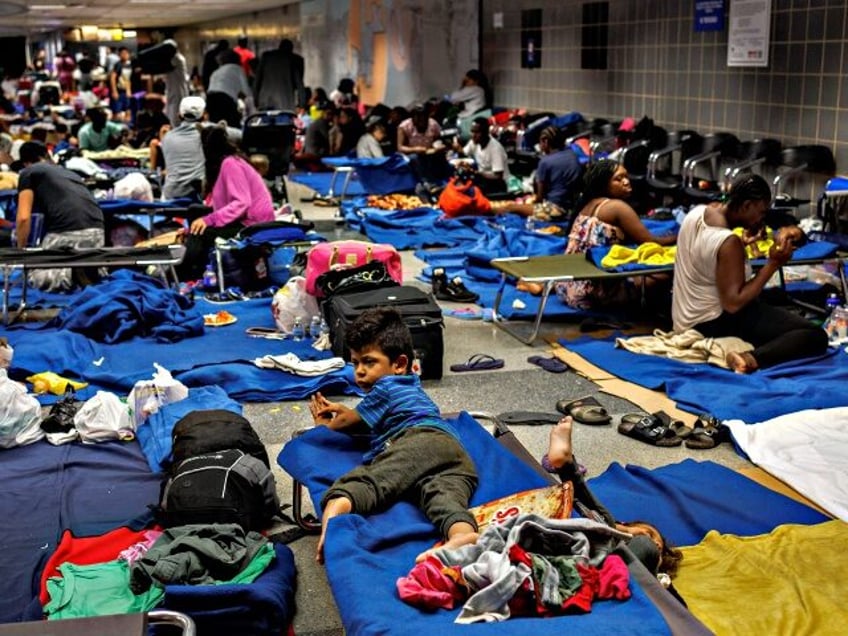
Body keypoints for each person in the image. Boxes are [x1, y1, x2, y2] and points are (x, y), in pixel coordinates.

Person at [308, 307, 479, 564]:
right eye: (355, 363)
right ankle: (461, 535)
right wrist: (349, 414)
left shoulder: (386, 387)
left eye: (369, 361)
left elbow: (348, 421)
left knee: (371, 480)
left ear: (399, 364)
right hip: (453, 452)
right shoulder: (408, 385)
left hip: (418, 440)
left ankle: (334, 523)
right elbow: (366, 419)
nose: (359, 372)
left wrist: (325, 425)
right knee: (442, 496)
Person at [672, 173, 827, 373]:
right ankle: (749, 359)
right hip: (712, 324)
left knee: (774, 300)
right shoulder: (729, 243)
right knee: (813, 334)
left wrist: (744, 245)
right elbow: (733, 303)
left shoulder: (699, 212)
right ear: (745, 206)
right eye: (761, 212)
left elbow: (706, 257)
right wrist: (773, 263)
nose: (762, 218)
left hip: (684, 320)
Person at [543, 416, 683, 579]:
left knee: (641, 545)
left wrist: (648, 547)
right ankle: (565, 464)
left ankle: (565, 465)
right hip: (583, 559)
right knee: (597, 521)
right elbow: (596, 519)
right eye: (649, 534)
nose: (654, 542)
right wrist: (626, 530)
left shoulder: (651, 569)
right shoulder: (608, 534)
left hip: (616, 577)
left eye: (658, 547)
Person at [551, 159, 676, 309]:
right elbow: (649, 242)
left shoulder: (588, 205)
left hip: (566, 288)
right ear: (603, 184)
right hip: (592, 294)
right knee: (671, 272)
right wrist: (680, 237)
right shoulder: (617, 207)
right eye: (618, 179)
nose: (626, 182)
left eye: (626, 177)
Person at [178, 124, 275, 280]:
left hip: (252, 225)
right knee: (195, 212)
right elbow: (214, 205)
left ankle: (184, 273)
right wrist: (191, 227)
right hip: (244, 219)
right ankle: (192, 268)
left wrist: (209, 220)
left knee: (203, 231)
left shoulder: (230, 164)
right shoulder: (227, 163)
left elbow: (242, 203)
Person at [15, 141, 105, 291]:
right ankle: (92, 270)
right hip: (97, 231)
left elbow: (23, 218)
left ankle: (71, 275)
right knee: (76, 259)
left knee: (33, 275)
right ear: (47, 155)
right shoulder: (70, 173)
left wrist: (20, 254)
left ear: (25, 162)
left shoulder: (28, 172)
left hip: (66, 231)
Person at [499, 126, 582, 221]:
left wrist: (529, 202)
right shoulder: (572, 155)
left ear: (545, 141)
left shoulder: (545, 162)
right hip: (572, 208)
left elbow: (539, 197)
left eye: (540, 142)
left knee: (511, 207)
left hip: (555, 209)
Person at [159, 96, 206, 200]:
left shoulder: (168, 137)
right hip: (198, 197)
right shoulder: (209, 133)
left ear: (179, 115)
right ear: (204, 115)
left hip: (170, 195)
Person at [451, 116, 510, 195]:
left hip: (498, 184)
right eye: (472, 131)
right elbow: (464, 153)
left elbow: (498, 176)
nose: (473, 135)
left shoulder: (495, 149)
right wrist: (457, 148)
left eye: (477, 132)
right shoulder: (474, 142)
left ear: (485, 132)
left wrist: (478, 173)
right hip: (483, 179)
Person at [397, 104, 449, 188]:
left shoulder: (433, 124)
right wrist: (415, 149)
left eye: (423, 118)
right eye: (418, 118)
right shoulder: (404, 126)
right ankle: (427, 182)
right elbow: (400, 147)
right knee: (415, 158)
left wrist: (438, 146)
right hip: (411, 153)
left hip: (429, 151)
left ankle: (444, 180)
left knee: (440, 155)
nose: (421, 122)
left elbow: (439, 139)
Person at [254, 38, 305, 111]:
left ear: (279, 47)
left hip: (265, 102)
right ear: (291, 50)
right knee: (284, 122)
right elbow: (299, 84)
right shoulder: (293, 60)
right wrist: (301, 105)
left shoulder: (266, 57)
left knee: (265, 121)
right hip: (286, 103)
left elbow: (257, 81)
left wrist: (256, 100)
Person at [206, 49, 252, 128]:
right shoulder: (237, 68)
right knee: (233, 128)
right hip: (225, 101)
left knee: (216, 129)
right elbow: (247, 93)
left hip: (210, 100)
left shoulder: (215, 72)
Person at [163, 39, 190, 128]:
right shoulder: (170, 59)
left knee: (175, 118)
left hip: (178, 93)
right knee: (168, 116)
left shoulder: (177, 58)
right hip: (171, 92)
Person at [109, 46, 134, 122]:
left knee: (128, 109)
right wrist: (114, 91)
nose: (124, 55)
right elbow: (112, 78)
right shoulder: (118, 65)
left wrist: (128, 90)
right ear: (119, 55)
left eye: (126, 53)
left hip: (125, 91)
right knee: (116, 111)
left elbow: (128, 79)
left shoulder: (129, 65)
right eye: (122, 53)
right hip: (118, 91)